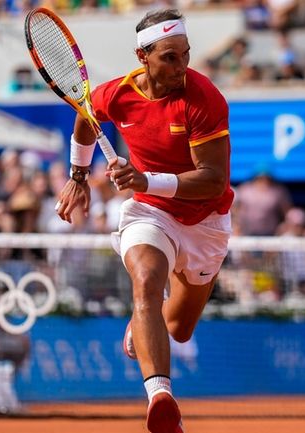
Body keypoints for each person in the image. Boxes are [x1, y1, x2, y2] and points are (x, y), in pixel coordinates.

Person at [54, 9, 233, 433]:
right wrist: (78, 176)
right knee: (146, 282)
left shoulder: (203, 98)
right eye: (170, 57)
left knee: (179, 328)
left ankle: (144, 321)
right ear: (143, 56)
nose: (181, 67)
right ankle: (161, 398)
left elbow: (212, 180)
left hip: (205, 220)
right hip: (151, 212)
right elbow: (84, 119)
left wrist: (145, 178)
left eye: (185, 55)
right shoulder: (116, 94)